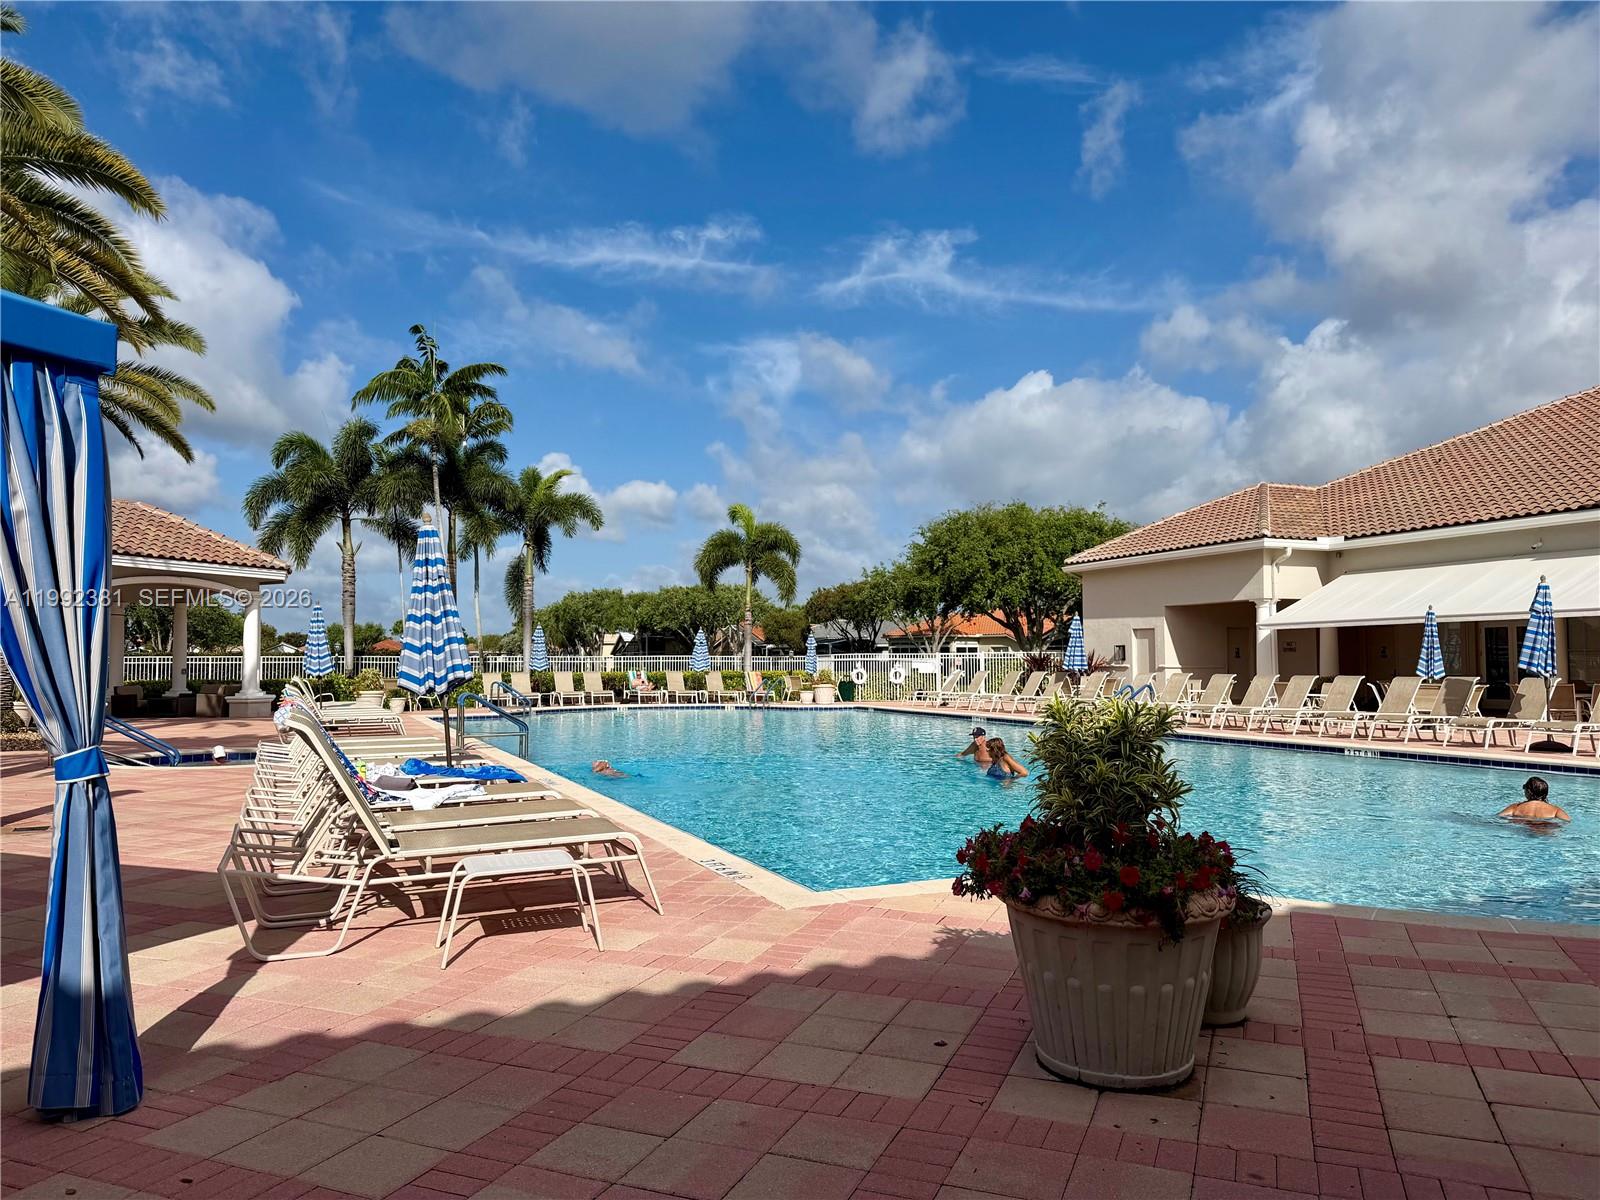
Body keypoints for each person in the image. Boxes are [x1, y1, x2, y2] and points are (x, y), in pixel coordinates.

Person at [1497, 777, 1570, 823]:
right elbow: (1567, 821)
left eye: (1524, 788)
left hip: (1523, 830)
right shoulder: (1555, 810)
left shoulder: (1515, 807)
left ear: (1528, 792)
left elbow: (1499, 817)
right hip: (1545, 832)